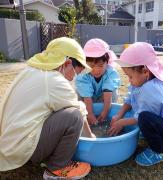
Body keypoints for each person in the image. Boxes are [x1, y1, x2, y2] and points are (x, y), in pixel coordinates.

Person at [0, 37, 95, 179]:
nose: (74, 78)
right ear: (67, 63)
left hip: (9, 144)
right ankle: (57, 169)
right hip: (22, 148)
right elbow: (79, 112)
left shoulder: (30, 71)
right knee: (74, 116)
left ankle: (49, 157)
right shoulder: (54, 80)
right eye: (77, 72)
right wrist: (91, 137)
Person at [108, 42, 163, 166]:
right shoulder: (143, 81)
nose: (129, 80)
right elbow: (130, 99)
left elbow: (140, 117)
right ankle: (151, 135)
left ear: (145, 71)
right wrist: (119, 115)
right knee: (140, 115)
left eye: (130, 76)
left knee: (145, 118)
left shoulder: (151, 89)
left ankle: (159, 151)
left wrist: (121, 122)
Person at [75, 38, 121, 125]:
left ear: (107, 62)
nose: (96, 70)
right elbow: (87, 97)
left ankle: (110, 109)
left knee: (113, 92)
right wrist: (90, 114)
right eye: (91, 66)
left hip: (103, 97)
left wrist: (105, 112)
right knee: (78, 93)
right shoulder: (83, 75)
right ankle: (81, 114)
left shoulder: (110, 73)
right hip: (87, 98)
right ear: (85, 63)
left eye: (100, 65)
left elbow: (108, 94)